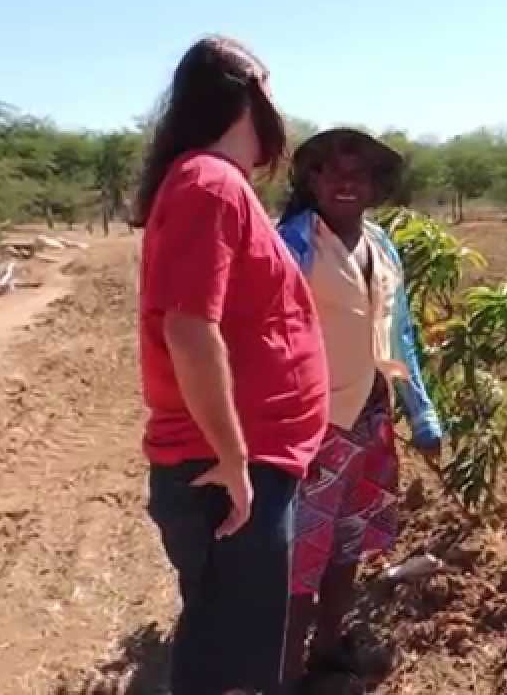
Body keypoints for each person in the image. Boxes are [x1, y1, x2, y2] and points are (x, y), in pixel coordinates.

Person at [135, 36, 329, 695]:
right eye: (270, 87)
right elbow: (190, 330)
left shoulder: (218, 184)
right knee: (230, 673)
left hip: (237, 463)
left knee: (227, 650)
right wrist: (236, 458)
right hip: (223, 470)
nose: (279, 104)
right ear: (245, 90)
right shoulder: (208, 183)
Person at [276, 129, 443, 690]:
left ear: (374, 186)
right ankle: (285, 673)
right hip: (309, 429)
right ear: (313, 180)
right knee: (300, 562)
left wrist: (421, 414)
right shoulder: (291, 245)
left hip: (370, 422)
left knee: (347, 547)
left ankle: (326, 650)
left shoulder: (381, 246)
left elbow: (401, 335)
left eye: (359, 174)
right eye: (332, 172)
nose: (346, 183)